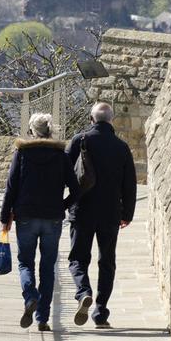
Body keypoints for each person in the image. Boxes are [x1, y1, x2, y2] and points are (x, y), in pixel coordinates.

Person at [0, 113, 80, 332]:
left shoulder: (22, 154)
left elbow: (11, 187)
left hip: (25, 217)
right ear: (50, 130)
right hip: (52, 219)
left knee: (26, 262)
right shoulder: (61, 156)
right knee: (48, 266)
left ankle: (29, 297)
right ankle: (42, 317)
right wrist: (62, 206)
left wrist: (4, 217)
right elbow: (76, 189)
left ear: (31, 131)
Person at [66, 102, 136, 328]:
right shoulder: (121, 147)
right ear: (111, 120)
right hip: (110, 213)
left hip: (82, 210)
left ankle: (83, 292)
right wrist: (127, 214)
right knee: (107, 262)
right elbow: (130, 185)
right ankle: (100, 312)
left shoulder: (79, 141)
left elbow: (64, 173)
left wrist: (62, 203)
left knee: (78, 258)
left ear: (91, 119)